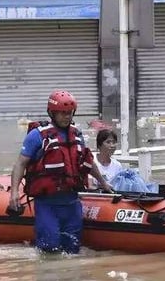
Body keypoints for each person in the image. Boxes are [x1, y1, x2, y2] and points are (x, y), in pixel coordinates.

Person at [9, 90, 113, 254]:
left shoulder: (77, 135)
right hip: (47, 204)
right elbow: (20, 164)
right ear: (52, 113)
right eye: (62, 113)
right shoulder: (38, 136)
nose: (66, 117)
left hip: (72, 203)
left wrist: (103, 183)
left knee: (72, 249)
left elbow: (88, 162)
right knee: (50, 248)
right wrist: (14, 192)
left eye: (69, 113)